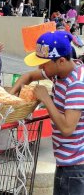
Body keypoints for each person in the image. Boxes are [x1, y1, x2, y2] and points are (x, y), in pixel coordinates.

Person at [9, 31, 84, 195]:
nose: (40, 68)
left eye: (43, 64)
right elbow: (28, 76)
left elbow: (67, 128)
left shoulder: (76, 84)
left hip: (75, 166)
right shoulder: (60, 72)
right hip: (65, 162)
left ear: (61, 61)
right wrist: (11, 94)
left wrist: (46, 99)